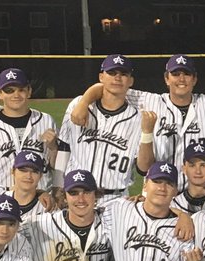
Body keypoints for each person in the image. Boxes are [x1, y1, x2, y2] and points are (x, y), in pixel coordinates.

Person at [68, 54, 205, 190]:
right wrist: (84, 102)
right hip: (160, 191)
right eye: (175, 74)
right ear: (166, 78)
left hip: (198, 192)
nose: (181, 79)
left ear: (194, 79)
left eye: (186, 74)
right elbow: (108, 87)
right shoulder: (149, 101)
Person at [56, 55, 143, 202]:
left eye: (123, 74)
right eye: (112, 73)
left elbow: (143, 166)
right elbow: (64, 147)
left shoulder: (138, 118)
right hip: (77, 194)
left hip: (116, 197)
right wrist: (57, 186)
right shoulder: (78, 105)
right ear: (101, 77)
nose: (117, 78)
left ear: (131, 81)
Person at [0, 68, 58, 189]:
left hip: (41, 200)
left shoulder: (46, 120)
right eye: (9, 90)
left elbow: (56, 167)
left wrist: (53, 148)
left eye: (21, 90)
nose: (16, 95)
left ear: (29, 91)